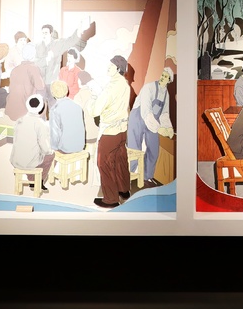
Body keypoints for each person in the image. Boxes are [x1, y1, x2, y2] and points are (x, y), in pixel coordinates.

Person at [90, 55, 132, 208]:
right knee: (121, 161)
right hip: (122, 131)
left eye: (111, 66)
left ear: (118, 68)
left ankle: (111, 199)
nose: (108, 68)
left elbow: (95, 110)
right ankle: (124, 190)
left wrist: (91, 100)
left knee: (104, 164)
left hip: (110, 132)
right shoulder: (126, 85)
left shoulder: (110, 88)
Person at [127, 67, 175, 188]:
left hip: (152, 121)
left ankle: (147, 177)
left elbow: (164, 114)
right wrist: (159, 128)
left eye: (166, 77)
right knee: (135, 149)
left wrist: (169, 128)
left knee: (154, 149)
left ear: (169, 80)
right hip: (138, 118)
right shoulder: (149, 87)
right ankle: (127, 177)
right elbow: (146, 111)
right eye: (162, 75)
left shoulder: (166, 94)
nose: (162, 78)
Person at [10, 93, 54, 188]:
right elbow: (45, 148)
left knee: (31, 151)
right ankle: (38, 181)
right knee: (50, 155)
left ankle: (31, 178)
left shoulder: (19, 120)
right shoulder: (40, 124)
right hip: (30, 162)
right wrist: (51, 150)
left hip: (15, 160)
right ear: (41, 108)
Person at [4, 42, 48, 122]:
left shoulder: (15, 70)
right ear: (34, 55)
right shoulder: (33, 68)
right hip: (25, 112)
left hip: (11, 110)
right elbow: (41, 88)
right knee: (43, 98)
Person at [48, 80, 86, 155]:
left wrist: (53, 148)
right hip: (80, 146)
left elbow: (55, 134)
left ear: (52, 93)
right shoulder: (77, 106)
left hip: (65, 148)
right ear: (67, 90)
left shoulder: (54, 110)